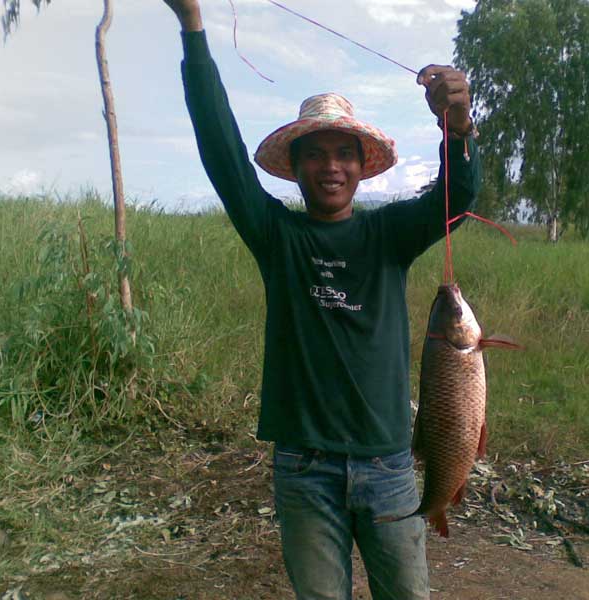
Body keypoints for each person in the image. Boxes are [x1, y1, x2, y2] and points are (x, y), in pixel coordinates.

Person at [162, 1, 481, 598]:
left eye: (343, 153)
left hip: (389, 466)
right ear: (296, 166)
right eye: (316, 153)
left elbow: (458, 195)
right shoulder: (277, 236)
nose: (330, 165)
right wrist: (193, 30)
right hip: (304, 471)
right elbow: (222, 155)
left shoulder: (388, 236)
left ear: (362, 167)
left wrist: (457, 127)